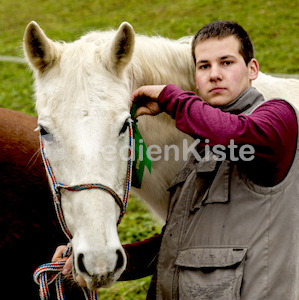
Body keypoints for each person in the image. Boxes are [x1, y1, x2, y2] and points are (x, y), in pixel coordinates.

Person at [53, 21, 299, 299]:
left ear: (252, 69)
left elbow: (237, 133)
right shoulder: (199, 149)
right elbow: (184, 239)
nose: (215, 74)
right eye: (204, 66)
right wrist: (118, 259)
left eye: (226, 62)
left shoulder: (279, 116)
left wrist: (172, 98)